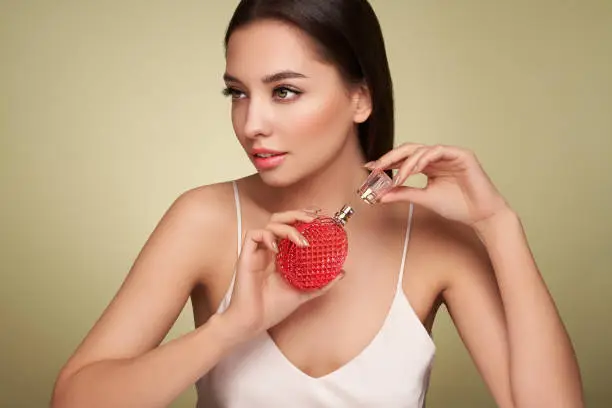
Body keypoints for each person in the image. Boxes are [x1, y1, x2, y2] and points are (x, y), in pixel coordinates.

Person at [51, 1, 584, 407]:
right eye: (237, 92)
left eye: (284, 91)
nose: (251, 123)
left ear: (361, 97)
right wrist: (229, 328)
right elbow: (75, 398)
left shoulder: (432, 237)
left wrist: (499, 224)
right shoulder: (205, 220)